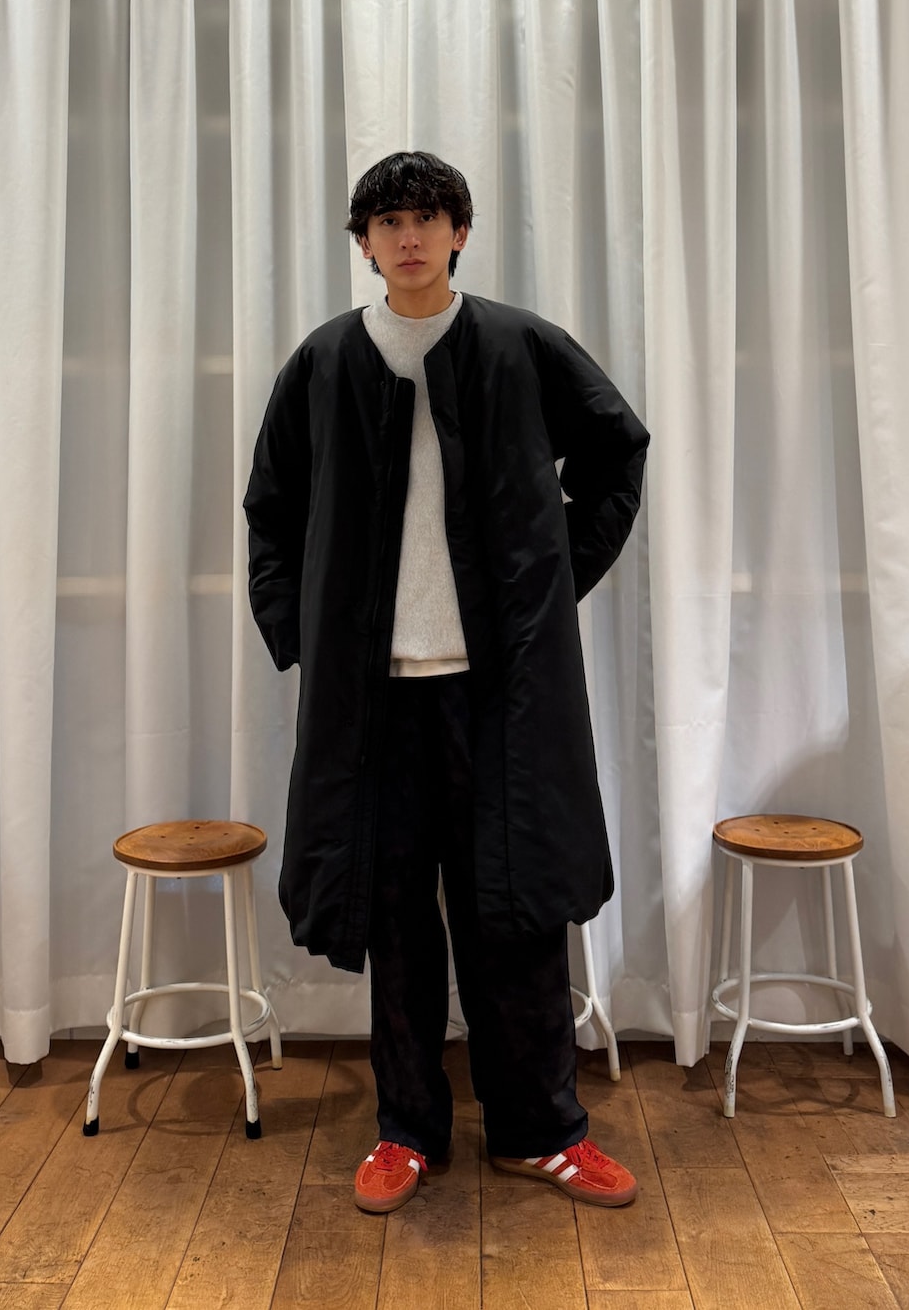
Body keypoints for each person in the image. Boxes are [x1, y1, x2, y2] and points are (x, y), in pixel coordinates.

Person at [244, 151, 649, 1214]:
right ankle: (407, 1130)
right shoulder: (324, 362)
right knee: (395, 918)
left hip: (500, 691)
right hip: (376, 702)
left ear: (460, 232)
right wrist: (304, 636)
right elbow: (270, 510)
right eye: (387, 222)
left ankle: (543, 1132)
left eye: (427, 217)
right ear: (364, 244)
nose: (409, 236)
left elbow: (617, 454)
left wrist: (547, 584)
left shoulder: (520, 346)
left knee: (518, 912)